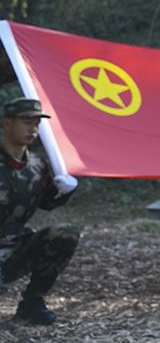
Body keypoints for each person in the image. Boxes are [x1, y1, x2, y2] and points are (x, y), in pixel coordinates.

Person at [0, 99, 78, 326]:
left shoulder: (38, 165)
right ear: (7, 124)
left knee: (64, 234)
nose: (33, 129)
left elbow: (47, 204)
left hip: (15, 247)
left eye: (36, 124)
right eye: (26, 123)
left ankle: (32, 302)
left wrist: (64, 191)